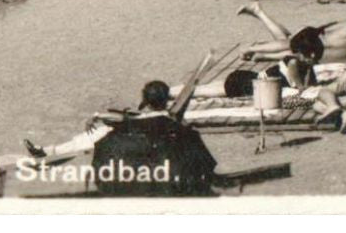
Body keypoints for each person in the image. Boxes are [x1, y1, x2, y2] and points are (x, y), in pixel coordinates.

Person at [23, 80, 217, 197]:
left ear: (146, 102)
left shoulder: (138, 122)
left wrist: (99, 116)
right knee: (95, 134)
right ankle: (47, 153)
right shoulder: (170, 121)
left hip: (137, 160)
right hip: (155, 156)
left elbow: (124, 120)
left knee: (92, 136)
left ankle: (47, 152)